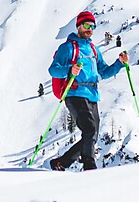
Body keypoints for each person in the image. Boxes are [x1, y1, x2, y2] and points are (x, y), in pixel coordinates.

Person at [46, 11, 128, 171]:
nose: (89, 29)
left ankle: (61, 163)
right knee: (90, 129)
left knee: (92, 134)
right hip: (74, 93)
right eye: (86, 25)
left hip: (92, 95)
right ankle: (90, 167)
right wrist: (70, 70)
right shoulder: (68, 48)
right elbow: (53, 70)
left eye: (92, 26)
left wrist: (119, 63)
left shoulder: (93, 49)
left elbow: (103, 72)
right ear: (78, 26)